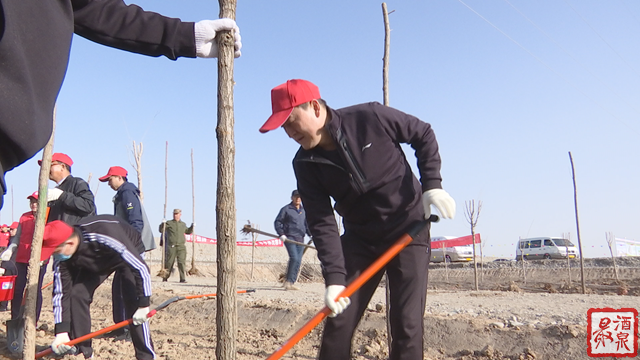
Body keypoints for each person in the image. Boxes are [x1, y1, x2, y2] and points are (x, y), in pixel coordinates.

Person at [259, 79, 456, 360]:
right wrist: (335, 278)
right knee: (339, 321)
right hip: (361, 239)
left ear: (315, 107)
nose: (289, 132)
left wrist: (433, 185)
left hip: (408, 228)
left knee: (406, 324)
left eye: (291, 121)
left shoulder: (370, 117)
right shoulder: (304, 164)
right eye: (284, 127)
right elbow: (323, 222)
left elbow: (422, 133)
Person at [0, 0, 242, 210]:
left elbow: (99, 10)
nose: (109, 183)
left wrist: (185, 36)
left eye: (110, 180)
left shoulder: (115, 192)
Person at [47, 216, 155, 359]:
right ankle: (84, 351)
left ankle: (146, 356)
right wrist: (61, 331)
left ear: (70, 243)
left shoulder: (104, 234)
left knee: (132, 300)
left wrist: (143, 304)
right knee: (77, 295)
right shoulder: (63, 260)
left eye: (56, 251)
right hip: (97, 260)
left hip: (128, 250)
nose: (55, 256)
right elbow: (61, 293)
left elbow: (140, 268)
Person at [99, 165, 156, 339]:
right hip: (126, 246)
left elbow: (135, 222)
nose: (108, 183)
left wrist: (131, 247)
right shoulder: (122, 194)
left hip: (131, 247)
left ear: (119, 177)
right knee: (119, 287)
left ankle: (130, 330)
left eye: (110, 179)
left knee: (129, 288)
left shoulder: (127, 193)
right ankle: (120, 327)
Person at [0, 192, 49, 322]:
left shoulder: (47, 217)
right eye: (31, 201)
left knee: (34, 289)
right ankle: (15, 318)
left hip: (40, 259)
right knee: (17, 288)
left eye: (36, 202)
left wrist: (44, 256)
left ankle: (33, 321)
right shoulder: (24, 217)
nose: (33, 204)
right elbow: (18, 236)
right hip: (22, 258)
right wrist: (11, 248)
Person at [40, 153, 96, 224]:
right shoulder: (57, 189)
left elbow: (88, 206)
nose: (46, 169)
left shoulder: (77, 183)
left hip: (72, 233)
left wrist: (63, 196)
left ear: (62, 167)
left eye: (50, 165)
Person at [274, 190, 311, 290]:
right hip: (289, 237)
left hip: (300, 238)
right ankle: (288, 283)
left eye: (299, 197)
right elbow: (278, 222)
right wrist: (281, 234)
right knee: (294, 258)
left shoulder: (304, 211)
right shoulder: (286, 209)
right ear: (292, 198)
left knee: (298, 260)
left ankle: (290, 281)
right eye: (296, 197)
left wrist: (311, 234)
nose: (298, 199)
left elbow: (307, 225)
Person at [159, 209, 193, 283]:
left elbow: (188, 232)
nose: (176, 215)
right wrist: (163, 224)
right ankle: (165, 277)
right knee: (169, 262)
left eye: (177, 214)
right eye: (174, 214)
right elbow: (161, 230)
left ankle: (182, 278)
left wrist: (192, 227)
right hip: (171, 246)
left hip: (181, 246)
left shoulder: (183, 224)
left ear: (180, 215)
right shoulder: (169, 223)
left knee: (181, 262)